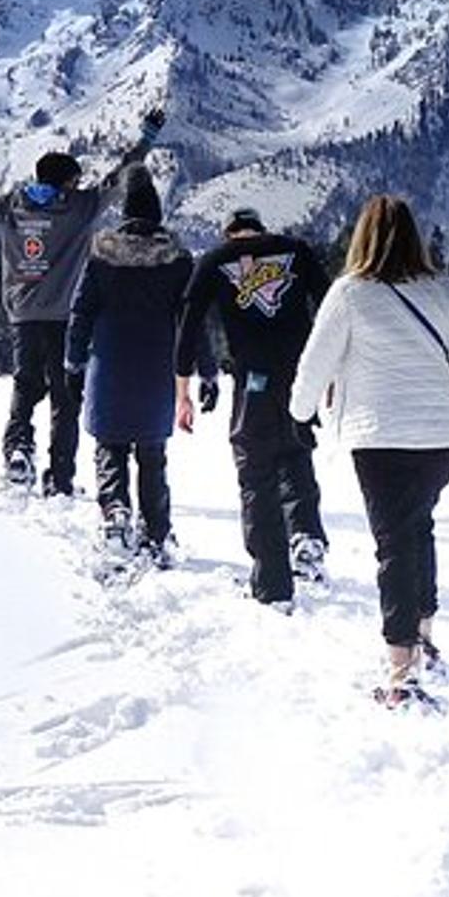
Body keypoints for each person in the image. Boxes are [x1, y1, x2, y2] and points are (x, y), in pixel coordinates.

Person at [287, 195, 449, 705]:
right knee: (417, 528)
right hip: (440, 438)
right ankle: (424, 638)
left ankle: (401, 671)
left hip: (380, 438)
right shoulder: (444, 291)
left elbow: (315, 364)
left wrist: (299, 415)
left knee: (394, 543)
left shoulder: (350, 292)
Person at [0, 107, 165, 496]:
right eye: (75, 180)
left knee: (25, 386)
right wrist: (147, 137)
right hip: (67, 318)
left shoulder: (12, 206)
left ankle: (18, 452)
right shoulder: (81, 206)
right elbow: (124, 171)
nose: (80, 184)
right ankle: (60, 477)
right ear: (66, 181)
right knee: (66, 397)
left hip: (23, 315)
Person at [175, 208, 333, 607]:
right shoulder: (296, 251)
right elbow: (333, 308)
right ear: (261, 229)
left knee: (256, 470)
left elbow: (188, 322)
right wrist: (332, 372)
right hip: (302, 377)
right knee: (297, 455)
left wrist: (184, 389)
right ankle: (307, 538)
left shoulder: (215, 260)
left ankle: (271, 583)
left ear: (230, 234)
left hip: (253, 381)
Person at [63, 166, 193, 565]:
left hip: (110, 366)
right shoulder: (177, 260)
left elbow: (81, 311)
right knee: (152, 456)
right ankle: (157, 532)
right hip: (156, 369)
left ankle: (115, 512)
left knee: (110, 447)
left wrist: (73, 361)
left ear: (123, 215)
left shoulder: (102, 257)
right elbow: (191, 320)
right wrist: (203, 370)